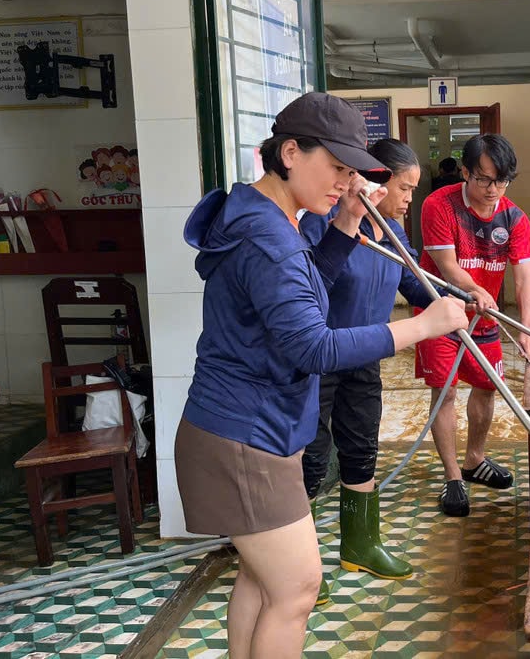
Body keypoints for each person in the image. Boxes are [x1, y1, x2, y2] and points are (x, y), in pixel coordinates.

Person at [174, 92, 468, 659]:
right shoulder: (269, 237)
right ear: (290, 152)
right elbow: (311, 344)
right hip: (244, 437)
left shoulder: (270, 217)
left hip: (252, 428)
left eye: (351, 171)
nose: (344, 181)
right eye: (336, 167)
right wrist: (422, 326)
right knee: (297, 587)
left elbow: (312, 290)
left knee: (262, 582)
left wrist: (348, 220)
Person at [300, 138, 435, 599]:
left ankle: (361, 544)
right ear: (377, 179)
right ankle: (298, 566)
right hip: (320, 361)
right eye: (405, 187)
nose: (408, 198)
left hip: (365, 358)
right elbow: (314, 285)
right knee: (311, 459)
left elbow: (418, 288)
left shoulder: (391, 236)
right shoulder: (326, 225)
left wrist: (465, 302)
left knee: (361, 450)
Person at [415, 133, 530, 517]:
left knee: (487, 386)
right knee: (446, 392)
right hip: (440, 310)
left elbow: (524, 278)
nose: (493, 190)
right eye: (485, 179)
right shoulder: (439, 205)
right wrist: (473, 289)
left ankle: (474, 460)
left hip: (482, 316)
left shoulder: (515, 218)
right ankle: (454, 477)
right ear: (466, 172)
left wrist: (527, 329)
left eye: (502, 181)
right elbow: (447, 266)